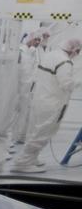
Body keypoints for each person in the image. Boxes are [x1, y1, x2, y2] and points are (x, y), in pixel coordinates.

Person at [9, 38, 81, 174]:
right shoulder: (64, 62)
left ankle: (31, 158)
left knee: (34, 131)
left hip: (40, 100)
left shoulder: (51, 55)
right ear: (74, 50)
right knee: (42, 133)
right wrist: (78, 81)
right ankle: (23, 163)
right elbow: (66, 84)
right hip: (52, 104)